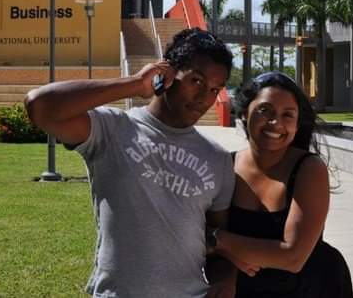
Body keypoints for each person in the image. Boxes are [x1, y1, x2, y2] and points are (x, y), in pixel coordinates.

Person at [25, 28, 238, 298]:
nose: (204, 98)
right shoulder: (112, 129)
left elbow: (218, 243)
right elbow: (39, 106)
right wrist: (136, 83)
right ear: (167, 72)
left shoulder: (217, 158)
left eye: (214, 89)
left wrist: (225, 279)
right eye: (196, 81)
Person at [209, 71, 353, 298]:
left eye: (287, 115)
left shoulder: (309, 169)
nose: (276, 123)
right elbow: (201, 245)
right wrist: (225, 271)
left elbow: (292, 257)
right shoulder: (225, 166)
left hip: (311, 289)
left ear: (297, 124)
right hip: (246, 290)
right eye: (264, 110)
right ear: (244, 114)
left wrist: (216, 239)